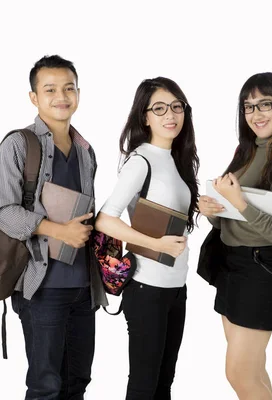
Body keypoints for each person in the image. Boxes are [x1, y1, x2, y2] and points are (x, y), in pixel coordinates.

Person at [0, 55, 108, 399]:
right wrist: (59, 231)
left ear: (79, 94)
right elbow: (0, 210)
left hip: (84, 288)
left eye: (69, 88)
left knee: (77, 383)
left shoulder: (86, 150)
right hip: (41, 289)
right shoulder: (18, 144)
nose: (61, 96)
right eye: (50, 89)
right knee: (45, 386)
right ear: (34, 97)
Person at [198, 72, 272, 400]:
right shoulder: (246, 151)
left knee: (238, 372)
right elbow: (237, 219)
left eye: (265, 104)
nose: (256, 114)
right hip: (232, 265)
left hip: (261, 271)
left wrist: (240, 202)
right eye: (248, 107)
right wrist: (215, 214)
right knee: (253, 370)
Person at [94, 77, 199, 400]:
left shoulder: (178, 159)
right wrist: (157, 245)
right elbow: (105, 219)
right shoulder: (141, 161)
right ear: (145, 116)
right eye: (160, 108)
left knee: (164, 384)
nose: (171, 115)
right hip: (146, 287)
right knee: (143, 386)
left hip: (175, 287)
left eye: (176, 107)